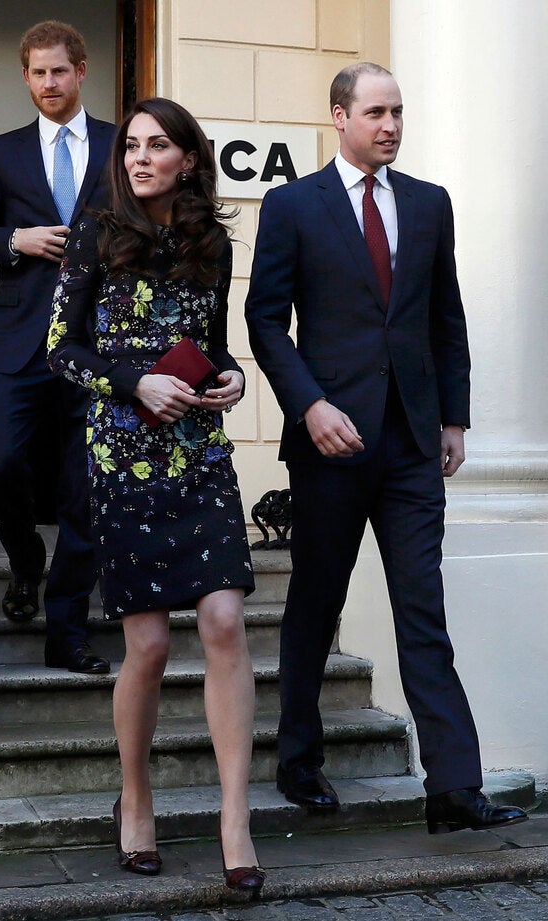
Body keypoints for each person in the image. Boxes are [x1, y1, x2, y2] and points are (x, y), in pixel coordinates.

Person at [245, 62, 528, 835]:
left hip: (410, 443)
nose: (391, 125)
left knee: (422, 610)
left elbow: (447, 318)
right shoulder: (292, 205)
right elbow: (265, 320)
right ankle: (299, 762)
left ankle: (454, 789)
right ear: (339, 116)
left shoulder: (430, 205)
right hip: (331, 442)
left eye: (398, 112)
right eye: (376, 112)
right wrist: (308, 407)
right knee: (315, 605)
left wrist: (454, 418)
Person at [47, 97, 264, 891]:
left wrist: (231, 378)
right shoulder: (94, 236)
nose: (139, 157)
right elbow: (60, 352)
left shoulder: (211, 242)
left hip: (199, 455)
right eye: (131, 146)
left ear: (186, 160)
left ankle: (233, 821)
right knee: (146, 644)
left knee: (224, 619)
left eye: (157, 146)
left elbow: (214, 347)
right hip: (125, 459)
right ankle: (134, 800)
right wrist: (135, 380)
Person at [0, 21, 116, 673]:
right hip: (18, 338)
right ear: (26, 78)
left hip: (98, 342)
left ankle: (68, 629)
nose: (49, 83)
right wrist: (12, 240)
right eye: (37, 73)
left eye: (59, 71)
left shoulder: (117, 146)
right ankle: (26, 561)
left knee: (84, 492)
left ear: (81, 71)